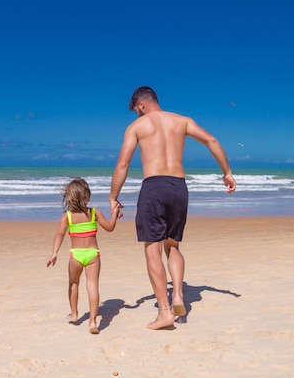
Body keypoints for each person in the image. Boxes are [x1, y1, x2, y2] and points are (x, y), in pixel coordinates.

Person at [109, 86, 237, 330]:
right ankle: (177, 294)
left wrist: (113, 196)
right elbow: (211, 140)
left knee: (152, 248)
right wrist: (227, 173)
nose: (137, 115)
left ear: (141, 104)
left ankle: (165, 311)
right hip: (179, 187)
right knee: (173, 245)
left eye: (136, 110)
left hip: (154, 186)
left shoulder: (138, 126)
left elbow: (123, 164)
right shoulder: (182, 121)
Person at [47, 177, 121, 334]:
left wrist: (54, 253)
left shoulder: (67, 217)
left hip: (76, 256)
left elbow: (59, 235)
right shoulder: (94, 213)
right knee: (92, 287)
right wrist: (114, 214)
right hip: (93, 255)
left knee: (73, 283)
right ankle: (93, 322)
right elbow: (110, 227)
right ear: (86, 197)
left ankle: (74, 314)